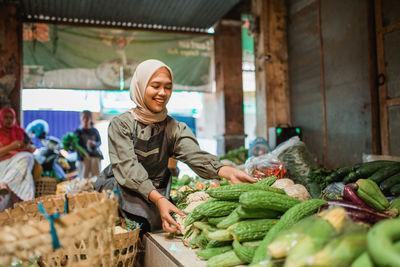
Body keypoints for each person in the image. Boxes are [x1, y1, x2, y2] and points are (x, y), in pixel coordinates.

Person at [94, 59, 256, 235]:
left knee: (167, 225)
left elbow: (195, 156)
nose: (162, 93)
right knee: (139, 229)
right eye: (155, 86)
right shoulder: (121, 125)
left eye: (168, 87)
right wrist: (159, 199)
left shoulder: (174, 128)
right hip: (122, 191)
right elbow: (128, 169)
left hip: (157, 192)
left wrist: (227, 171)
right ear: (140, 86)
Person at [0, 107, 36, 211]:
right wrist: (12, 146)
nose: (9, 120)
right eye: (6, 117)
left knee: (27, 157)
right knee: (25, 163)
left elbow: (32, 148)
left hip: (19, 163)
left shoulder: (20, 132)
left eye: (11, 117)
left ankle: (4, 184)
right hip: (4, 165)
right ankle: (28, 203)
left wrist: (28, 148)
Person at [74, 110, 103, 178]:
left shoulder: (94, 131)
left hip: (95, 157)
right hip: (83, 159)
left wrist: (94, 144)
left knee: (95, 178)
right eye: (84, 117)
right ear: (81, 118)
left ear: (90, 118)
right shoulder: (78, 132)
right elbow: (74, 146)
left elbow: (99, 142)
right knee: (83, 179)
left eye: (87, 117)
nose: (85, 119)